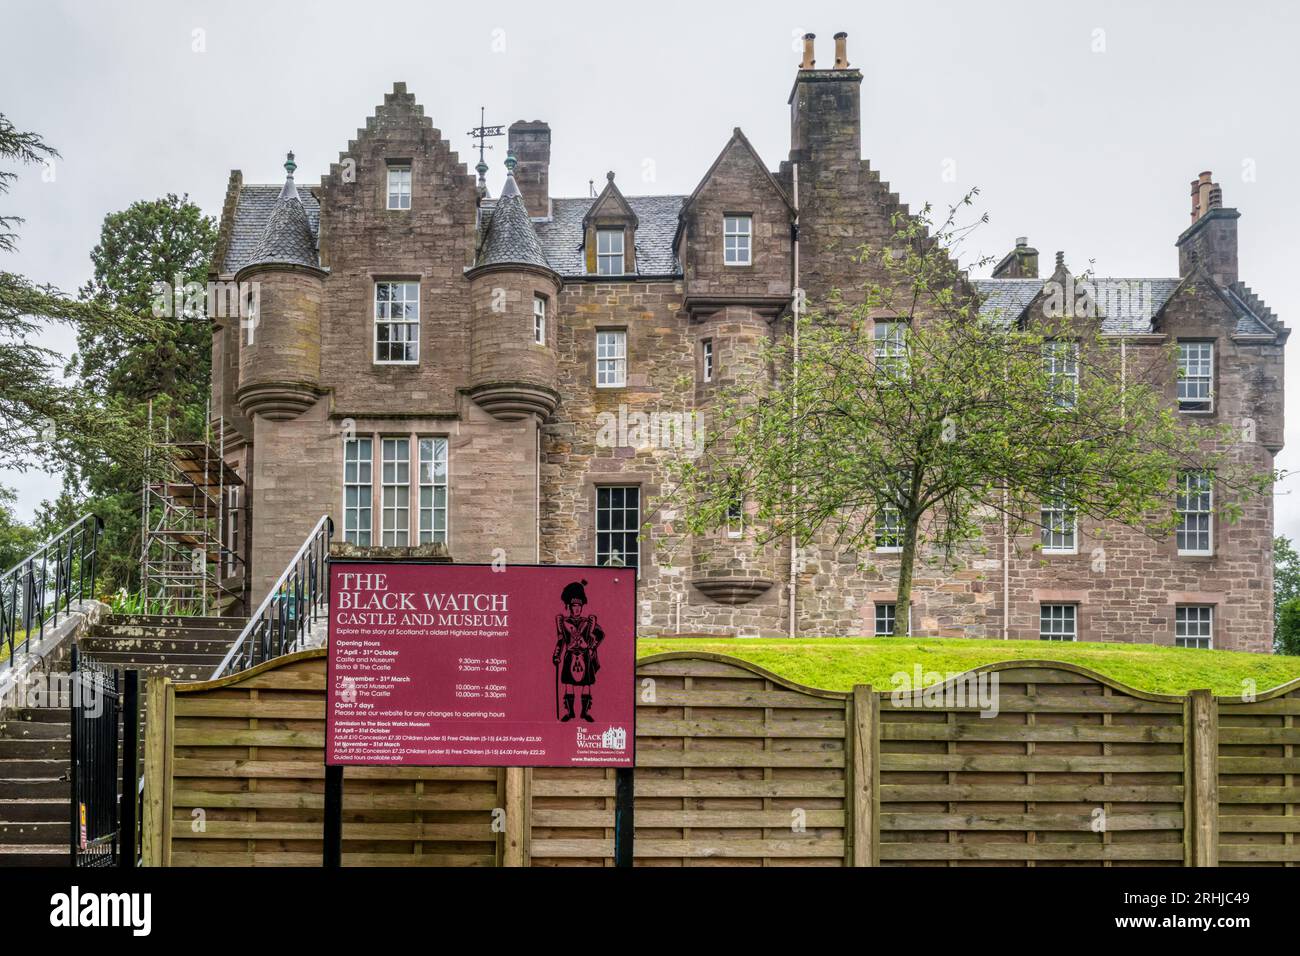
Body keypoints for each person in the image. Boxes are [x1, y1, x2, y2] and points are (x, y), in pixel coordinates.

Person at [552, 580, 604, 722]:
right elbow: (561, 640)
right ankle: (570, 713)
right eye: (574, 606)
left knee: (586, 685)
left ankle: (584, 713)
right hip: (570, 655)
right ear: (569, 607)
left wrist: (592, 647)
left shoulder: (588, 622)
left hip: (584, 655)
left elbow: (599, 635)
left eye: (579, 606)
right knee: (569, 685)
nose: (577, 609)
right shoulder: (563, 622)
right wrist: (557, 655)